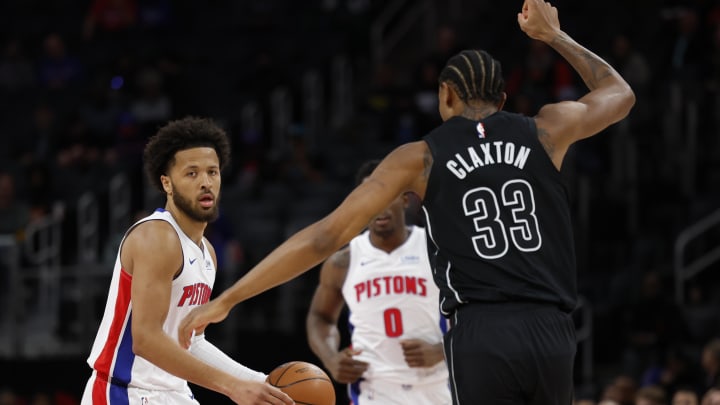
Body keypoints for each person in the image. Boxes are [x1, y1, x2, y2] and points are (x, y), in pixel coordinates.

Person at [179, 1, 635, 403]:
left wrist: (229, 299)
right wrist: (554, 36)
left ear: (446, 96)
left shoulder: (420, 157)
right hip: (551, 329)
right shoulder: (547, 129)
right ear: (502, 98)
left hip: (481, 330)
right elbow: (620, 94)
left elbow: (325, 236)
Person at [80, 117, 293, 405]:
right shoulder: (156, 236)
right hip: (124, 391)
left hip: (174, 393)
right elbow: (145, 339)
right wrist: (232, 387)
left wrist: (258, 382)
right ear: (167, 183)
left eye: (212, 172)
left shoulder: (207, 252)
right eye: (191, 174)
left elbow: (190, 341)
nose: (205, 182)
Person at [305, 159, 450, 405]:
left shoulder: (437, 249)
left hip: (438, 387)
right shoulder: (344, 261)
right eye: (369, 198)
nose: (377, 206)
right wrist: (331, 358)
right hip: (373, 391)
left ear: (405, 199)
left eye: (386, 195)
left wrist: (443, 350)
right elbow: (320, 317)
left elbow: (478, 314)